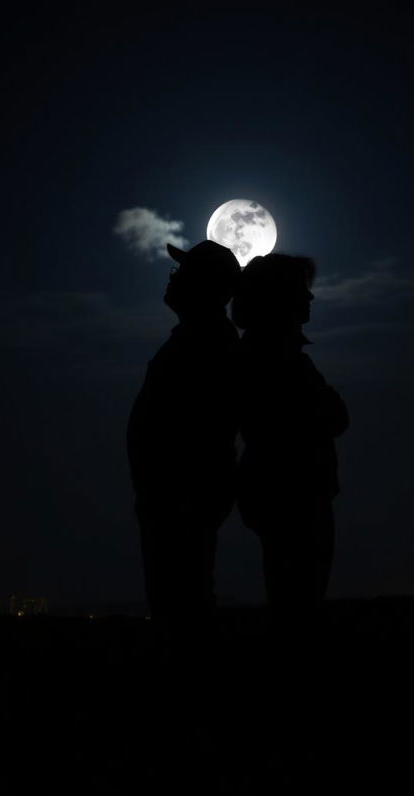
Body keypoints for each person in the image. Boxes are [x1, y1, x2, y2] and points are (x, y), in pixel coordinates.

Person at [127, 240, 241, 639]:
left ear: (205, 286)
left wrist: (179, 494)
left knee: (182, 605)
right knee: (178, 600)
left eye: (183, 271)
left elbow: (199, 430)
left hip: (183, 499)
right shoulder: (198, 338)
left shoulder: (208, 343)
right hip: (174, 498)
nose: (173, 277)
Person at [231, 253, 349, 625]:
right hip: (291, 494)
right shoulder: (276, 359)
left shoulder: (274, 354)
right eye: (301, 290)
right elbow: (331, 415)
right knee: (297, 603)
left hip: (285, 492)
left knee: (295, 598)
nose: (310, 298)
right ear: (279, 297)